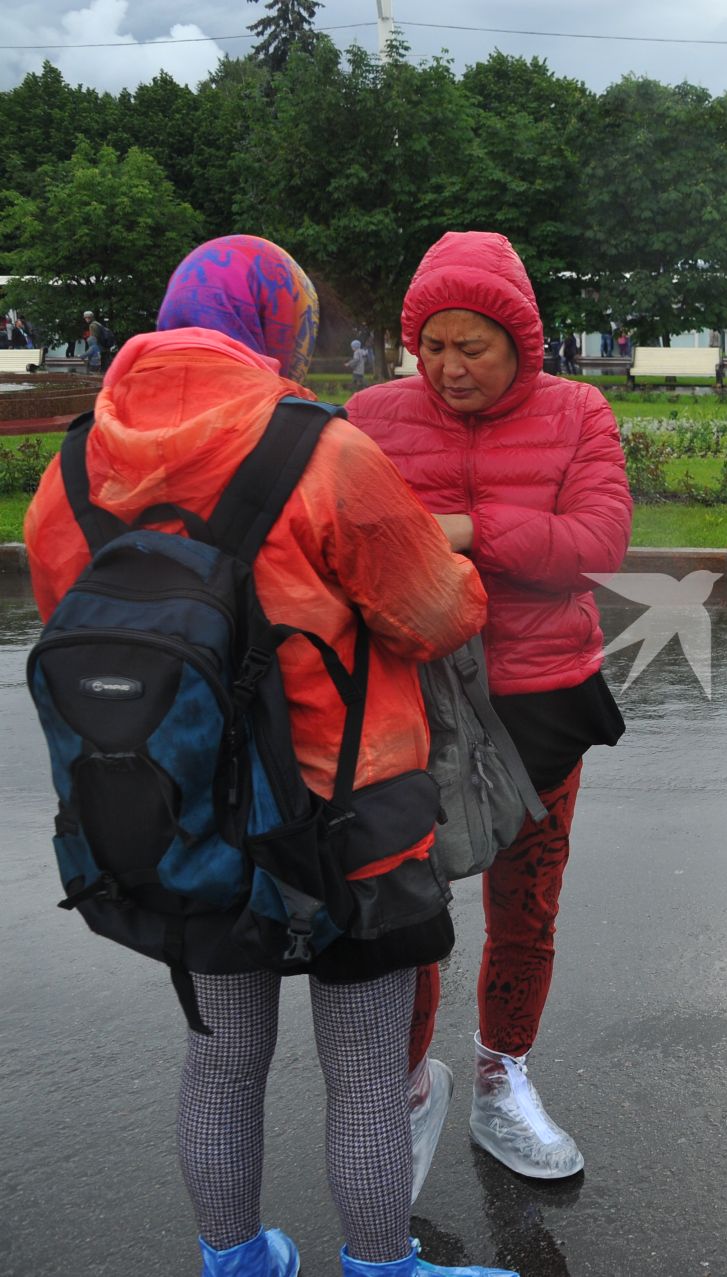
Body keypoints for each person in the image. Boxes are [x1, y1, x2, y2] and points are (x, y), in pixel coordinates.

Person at [24, 235, 512, 1276]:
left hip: (184, 821)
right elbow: (433, 613)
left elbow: (75, 625)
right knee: (368, 1076)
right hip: (353, 818)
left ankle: (237, 1257)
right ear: (274, 325)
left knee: (219, 1061)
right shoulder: (320, 451)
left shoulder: (71, 469)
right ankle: (383, 1265)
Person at [347, 231, 632, 1185]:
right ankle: (407, 1083)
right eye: (432, 346)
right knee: (407, 906)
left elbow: (597, 540)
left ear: (521, 342)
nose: (448, 367)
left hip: (540, 702)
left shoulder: (578, 410)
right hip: (408, 702)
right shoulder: (370, 416)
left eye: (472, 346)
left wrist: (467, 530)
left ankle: (502, 1076)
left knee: (525, 905)